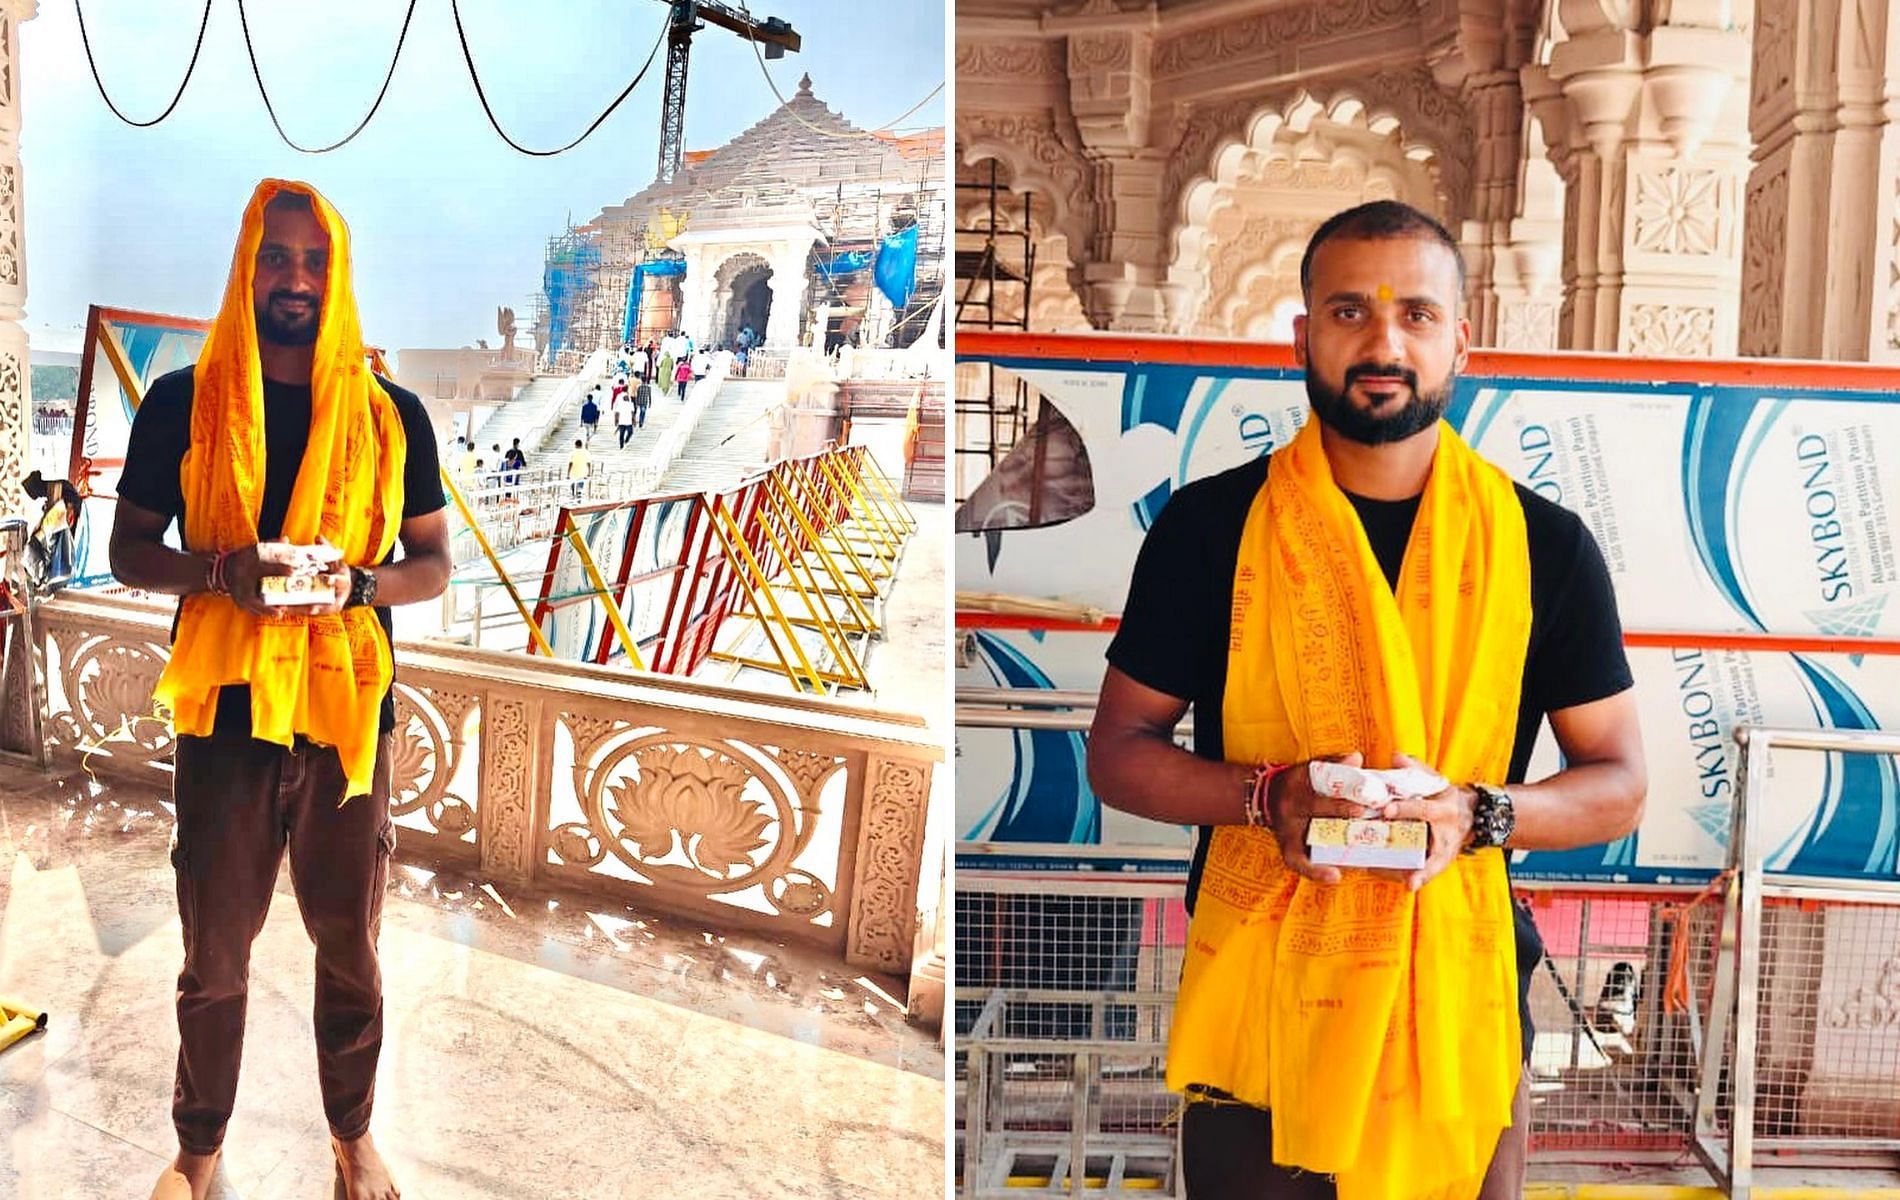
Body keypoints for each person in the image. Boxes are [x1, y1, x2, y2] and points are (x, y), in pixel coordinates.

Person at [1085, 200, 1647, 1200]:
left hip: (1458, 1003)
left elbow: (1618, 782)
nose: (1383, 343)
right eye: (1350, 312)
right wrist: (1269, 798)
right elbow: (1120, 749)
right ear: (1303, 336)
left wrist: (1479, 814)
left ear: (1459, 343)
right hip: (1260, 1005)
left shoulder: (1542, 546)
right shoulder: (1211, 528)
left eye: (1416, 316)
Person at [109, 179, 447, 1200]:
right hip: (230, 716)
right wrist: (220, 571)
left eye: (312, 259)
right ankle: (199, 1155)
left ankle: (353, 1138)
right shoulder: (185, 401)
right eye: (276, 255)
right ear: (247, 265)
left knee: (350, 951)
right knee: (214, 955)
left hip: (346, 724)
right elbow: (127, 548)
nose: (295, 277)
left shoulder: (390, 414)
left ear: (334, 273)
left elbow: (429, 565)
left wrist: (355, 584)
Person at [566, 438, 591, 503]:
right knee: (580, 486)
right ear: (582, 445)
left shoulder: (573, 452)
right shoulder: (586, 452)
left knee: (573, 486)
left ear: (575, 445)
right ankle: (579, 498)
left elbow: (570, 463)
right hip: (583, 472)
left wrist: (568, 474)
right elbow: (588, 463)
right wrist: (589, 472)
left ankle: (574, 497)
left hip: (574, 472)